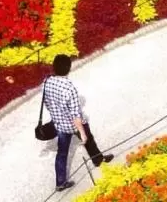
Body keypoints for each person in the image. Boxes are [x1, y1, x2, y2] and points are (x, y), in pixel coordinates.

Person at [43, 54, 114, 192]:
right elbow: (76, 115)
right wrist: (82, 133)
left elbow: (46, 103)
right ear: (69, 69)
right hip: (72, 124)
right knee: (89, 140)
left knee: (62, 153)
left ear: (54, 67)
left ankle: (60, 182)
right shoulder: (70, 89)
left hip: (59, 124)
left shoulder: (46, 82)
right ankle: (98, 160)